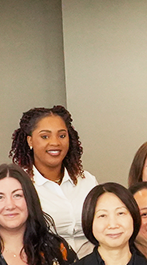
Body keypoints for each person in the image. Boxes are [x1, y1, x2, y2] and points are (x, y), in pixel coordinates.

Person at [11, 105, 98, 255]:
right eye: (45, 136)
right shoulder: (19, 184)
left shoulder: (87, 181)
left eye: (62, 136)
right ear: (30, 141)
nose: (55, 143)